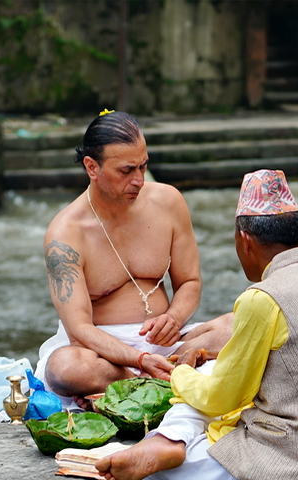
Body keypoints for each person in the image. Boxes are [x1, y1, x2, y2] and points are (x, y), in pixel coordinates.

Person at [96, 169, 298, 480]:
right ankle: (169, 440)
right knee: (210, 371)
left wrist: (180, 374)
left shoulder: (263, 297)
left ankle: (170, 444)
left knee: (166, 466)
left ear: (245, 240)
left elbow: (222, 399)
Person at [37, 110, 230, 404]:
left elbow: (189, 282)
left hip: (168, 345)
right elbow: (79, 330)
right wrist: (139, 360)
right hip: (102, 354)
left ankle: (154, 380)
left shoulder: (169, 201)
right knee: (67, 368)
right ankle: (157, 380)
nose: (138, 180)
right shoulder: (65, 234)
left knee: (239, 326)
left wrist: (174, 318)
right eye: (126, 171)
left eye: (143, 166)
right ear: (92, 167)